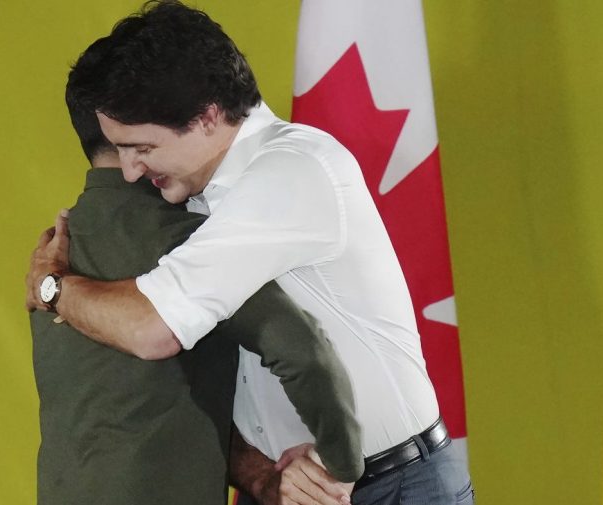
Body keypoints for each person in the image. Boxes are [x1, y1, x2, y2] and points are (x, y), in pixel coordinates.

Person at [25, 2, 473, 504]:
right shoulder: (188, 197)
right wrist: (261, 474)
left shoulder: (291, 171)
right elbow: (202, 382)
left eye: (143, 148)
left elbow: (153, 329)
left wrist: (53, 288)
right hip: (279, 488)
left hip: (388, 488)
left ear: (207, 115)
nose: (129, 171)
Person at [29, 34, 363, 505]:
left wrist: (259, 478)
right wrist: (344, 468)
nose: (133, 169)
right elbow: (302, 351)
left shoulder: (55, 254)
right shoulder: (185, 239)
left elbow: (163, 403)